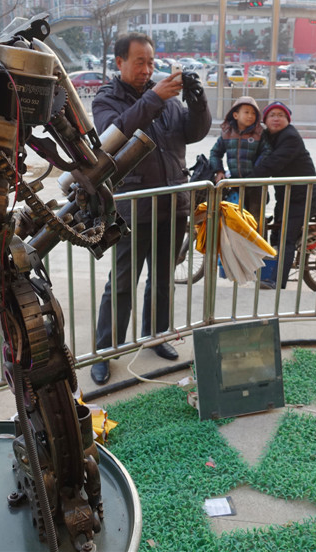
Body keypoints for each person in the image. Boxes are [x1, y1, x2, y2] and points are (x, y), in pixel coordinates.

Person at [90, 33, 211, 385]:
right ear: (120, 63)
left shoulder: (167, 100)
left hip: (173, 204)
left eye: (151, 62)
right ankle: (106, 350)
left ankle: (156, 335)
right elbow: (115, 135)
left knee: (162, 279)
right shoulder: (106, 99)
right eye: (139, 62)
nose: (147, 69)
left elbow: (193, 132)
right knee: (123, 282)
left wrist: (198, 101)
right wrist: (154, 98)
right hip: (133, 209)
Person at [253, 102, 316, 289]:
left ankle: (276, 280)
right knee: (275, 235)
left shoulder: (290, 137)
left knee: (285, 238)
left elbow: (273, 163)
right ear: (265, 120)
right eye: (272, 115)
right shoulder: (270, 136)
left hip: (302, 198)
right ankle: (268, 273)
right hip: (287, 196)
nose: (276, 118)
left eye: (281, 115)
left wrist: (246, 179)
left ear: (287, 120)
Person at [208, 96, 271, 227]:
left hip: (255, 185)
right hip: (235, 185)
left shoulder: (260, 133)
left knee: (256, 220)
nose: (250, 116)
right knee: (236, 220)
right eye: (246, 112)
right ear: (235, 115)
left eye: (254, 113)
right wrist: (219, 171)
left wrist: (256, 172)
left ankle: (259, 246)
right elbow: (215, 153)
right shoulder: (227, 133)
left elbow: (267, 152)